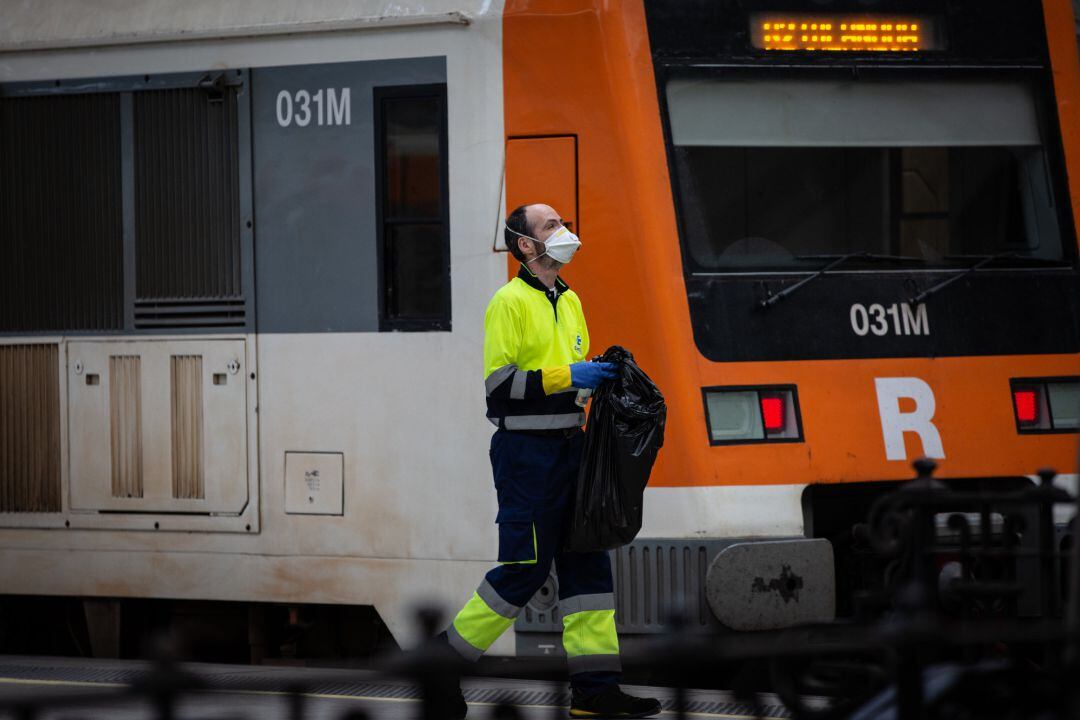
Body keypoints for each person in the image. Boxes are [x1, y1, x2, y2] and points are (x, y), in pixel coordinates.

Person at [440, 203, 661, 719]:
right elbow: (499, 389)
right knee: (523, 568)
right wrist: (571, 377)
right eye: (551, 227)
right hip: (527, 456)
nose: (563, 233)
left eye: (561, 223)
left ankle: (596, 690)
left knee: (589, 568)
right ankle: (442, 661)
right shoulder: (508, 303)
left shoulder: (572, 300)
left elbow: (570, 374)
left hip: (572, 450)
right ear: (525, 245)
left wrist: (602, 378)